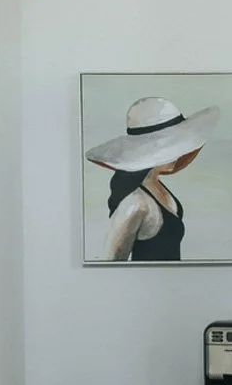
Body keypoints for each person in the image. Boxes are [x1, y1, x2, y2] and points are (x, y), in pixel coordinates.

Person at [85, 96, 219, 262]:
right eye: (169, 147)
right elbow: (111, 263)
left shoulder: (155, 186)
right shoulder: (135, 204)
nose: (177, 154)